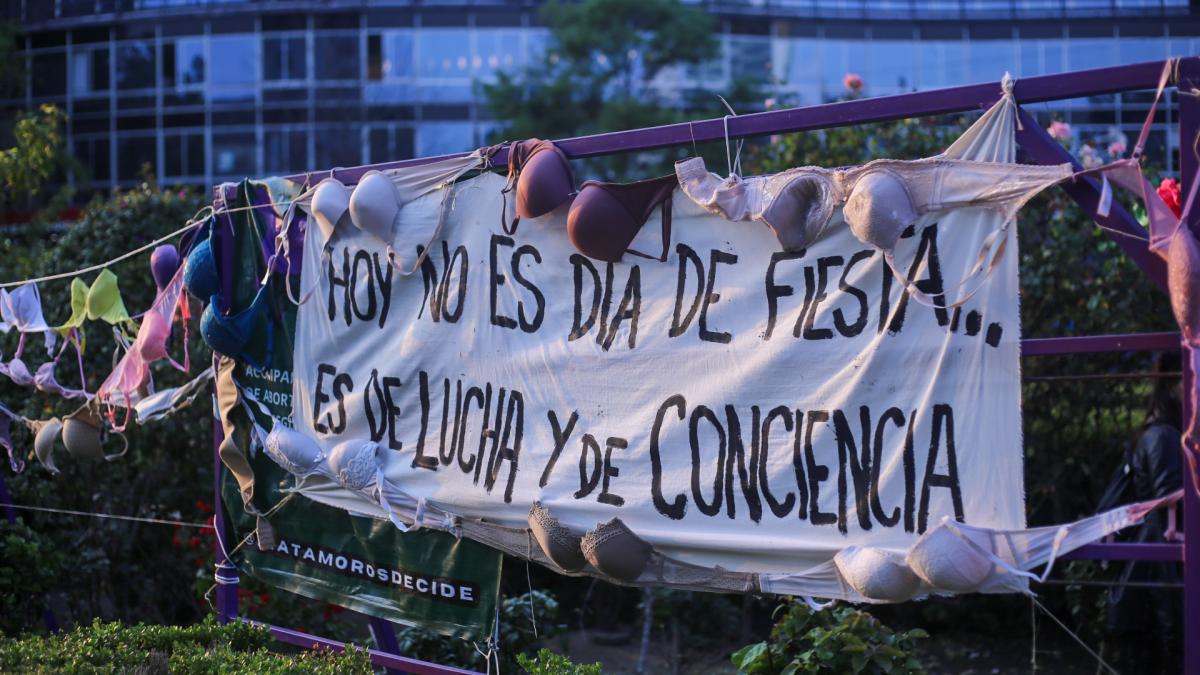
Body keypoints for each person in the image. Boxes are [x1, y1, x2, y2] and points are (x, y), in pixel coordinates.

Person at [1096, 351, 1183, 674]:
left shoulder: (1167, 434)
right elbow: (1169, 504)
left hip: (1160, 571)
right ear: (1177, 382)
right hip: (1159, 575)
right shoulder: (1162, 436)